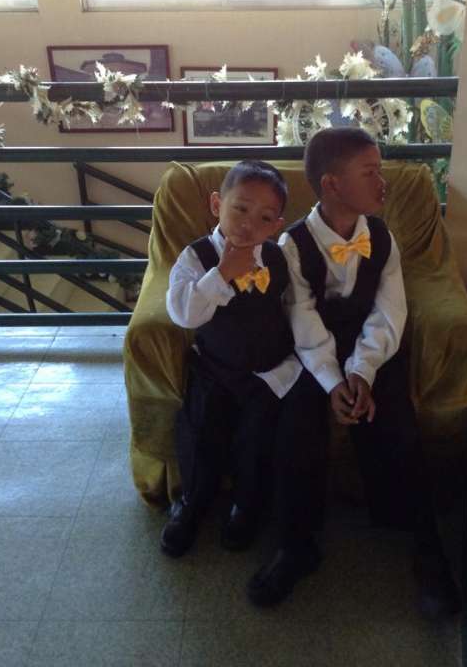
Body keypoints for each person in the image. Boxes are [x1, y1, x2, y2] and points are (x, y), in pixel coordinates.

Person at [278, 128, 461, 619]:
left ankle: (426, 547)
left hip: (372, 349)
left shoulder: (381, 237)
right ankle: (295, 544)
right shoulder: (293, 244)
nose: (383, 183)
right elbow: (301, 319)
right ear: (332, 184)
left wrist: (362, 371)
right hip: (313, 355)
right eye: (371, 172)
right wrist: (333, 381)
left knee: (399, 426)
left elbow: (389, 311)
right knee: (297, 426)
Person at [162, 159, 328, 606]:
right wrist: (222, 273)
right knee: (203, 433)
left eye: (264, 217)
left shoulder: (276, 257)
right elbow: (184, 313)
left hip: (266, 373)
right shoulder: (195, 257)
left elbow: (294, 308)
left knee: (256, 440)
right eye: (240, 209)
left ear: (276, 226)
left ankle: (245, 507)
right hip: (216, 368)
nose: (248, 224)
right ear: (217, 204)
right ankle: (192, 504)